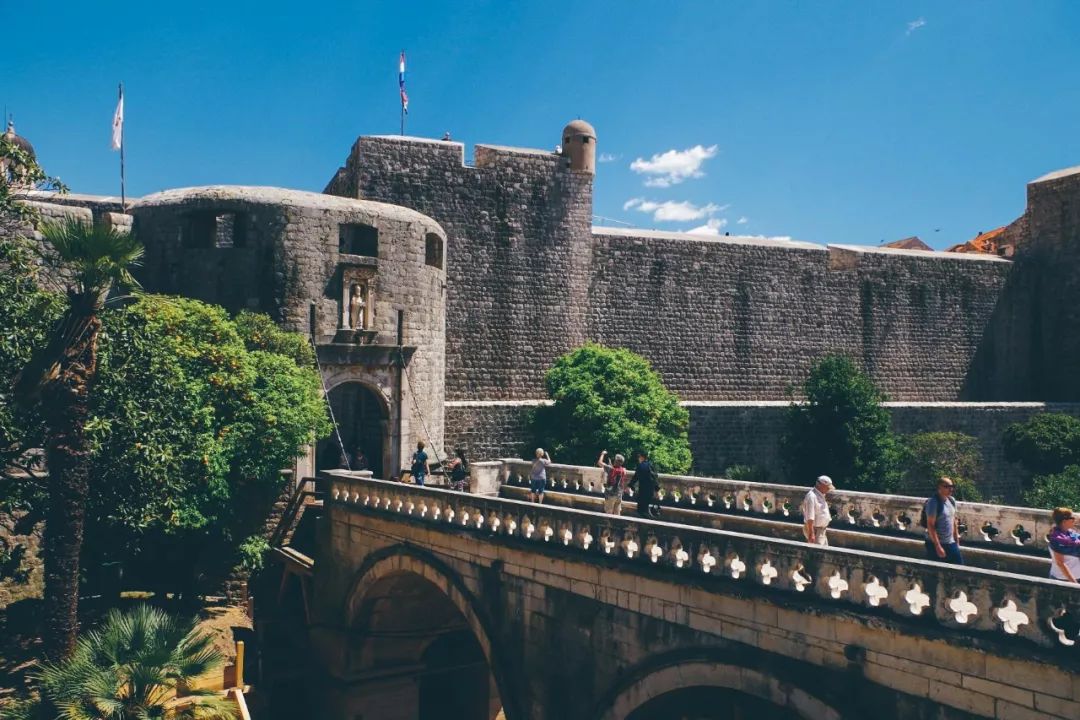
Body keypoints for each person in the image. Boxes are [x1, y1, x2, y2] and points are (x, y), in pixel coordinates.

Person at [924, 477, 963, 564]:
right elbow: (930, 525)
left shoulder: (951, 500)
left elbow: (953, 521)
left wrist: (957, 540)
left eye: (952, 486)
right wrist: (938, 546)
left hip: (950, 542)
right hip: (935, 543)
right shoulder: (933, 503)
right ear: (939, 488)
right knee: (936, 569)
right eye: (946, 487)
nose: (950, 489)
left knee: (959, 567)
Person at [1048, 507, 1080, 583]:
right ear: (1064, 521)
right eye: (1072, 518)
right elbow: (1060, 563)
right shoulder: (1057, 539)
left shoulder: (1071, 534)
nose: (1075, 520)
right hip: (1062, 580)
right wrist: (1074, 583)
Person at [802, 475, 834, 546]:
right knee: (818, 551)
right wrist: (811, 533)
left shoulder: (820, 495)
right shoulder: (811, 496)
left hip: (821, 531)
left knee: (824, 550)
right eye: (827, 487)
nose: (828, 489)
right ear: (821, 485)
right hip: (815, 530)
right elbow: (810, 516)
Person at [597, 450, 628, 515]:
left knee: (609, 513)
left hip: (610, 494)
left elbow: (599, 463)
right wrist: (610, 464)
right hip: (619, 494)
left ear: (615, 461)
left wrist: (602, 454)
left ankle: (608, 522)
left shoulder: (610, 469)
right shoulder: (623, 470)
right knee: (617, 513)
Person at [634, 450, 658, 519]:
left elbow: (635, 477)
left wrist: (630, 485)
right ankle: (647, 519)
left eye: (639, 457)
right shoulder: (651, 465)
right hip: (650, 490)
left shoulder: (640, 466)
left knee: (641, 509)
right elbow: (655, 477)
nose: (638, 458)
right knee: (646, 506)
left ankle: (646, 521)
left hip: (643, 490)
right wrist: (657, 489)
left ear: (642, 457)